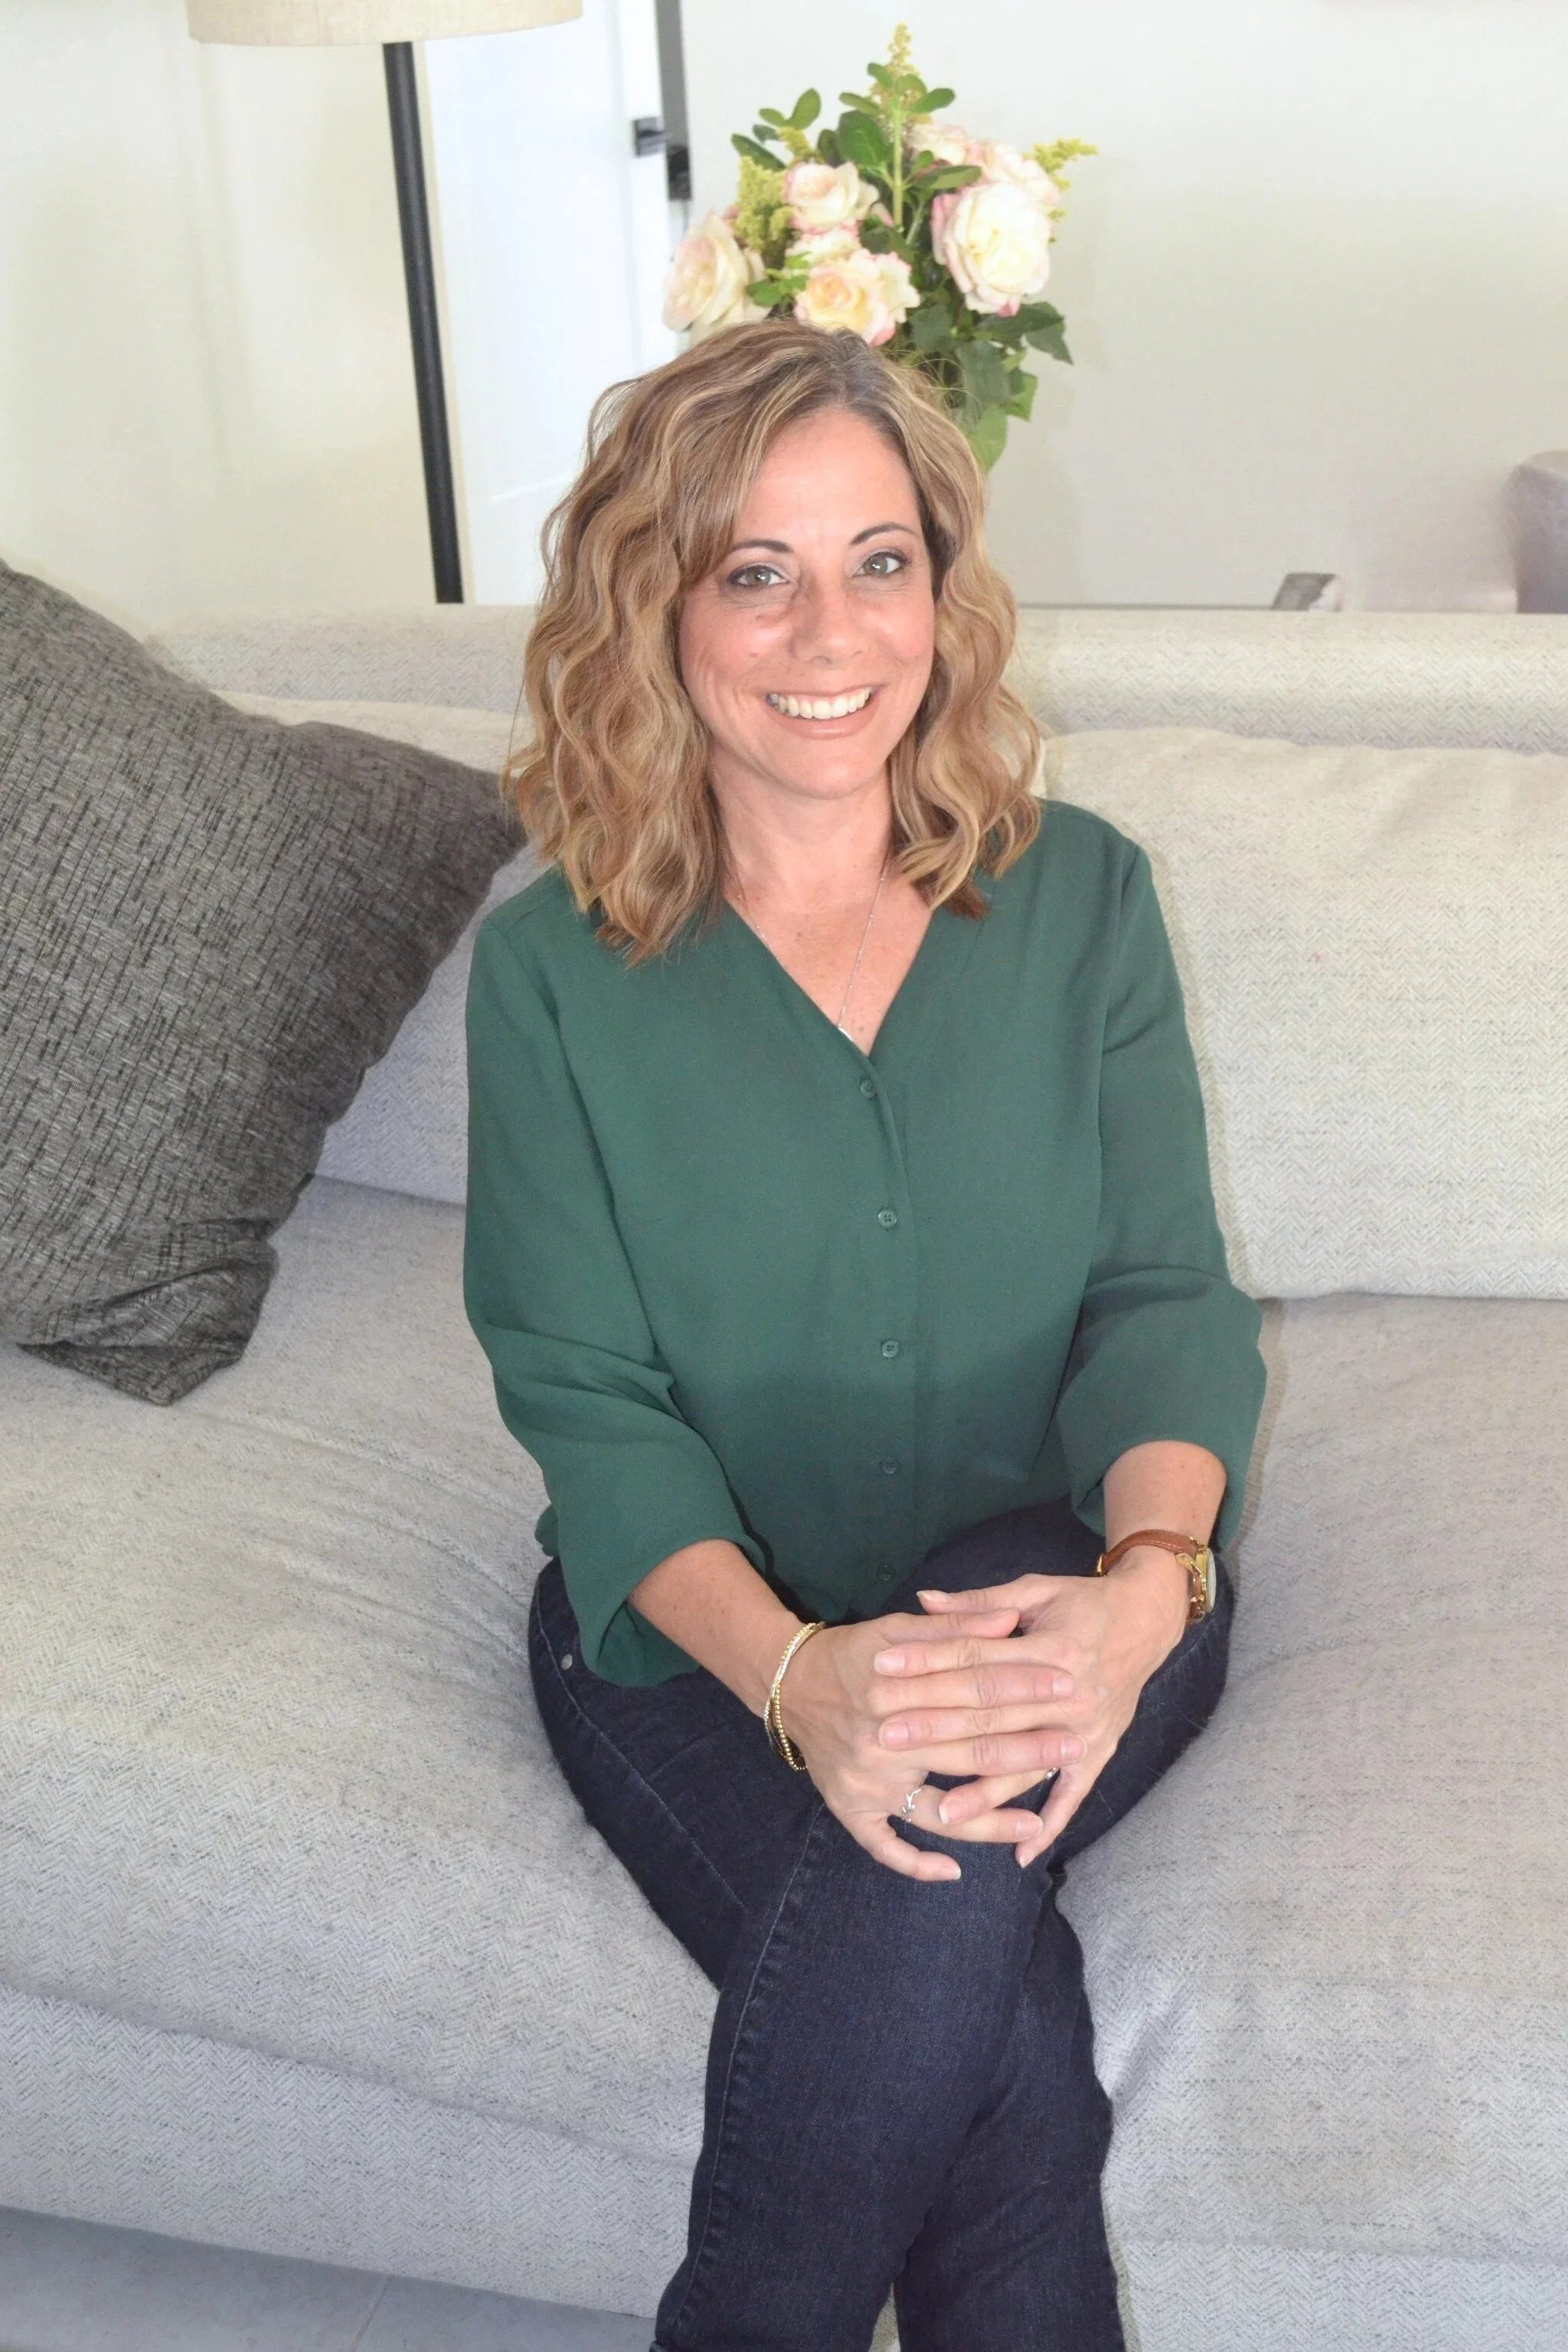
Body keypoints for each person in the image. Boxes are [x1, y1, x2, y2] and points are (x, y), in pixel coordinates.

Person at [464, 318, 1266, 2352]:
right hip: (689, 1641)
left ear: (941, 588)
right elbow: (587, 1402)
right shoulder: (553, 974)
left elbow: (1167, 1307)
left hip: (1049, 1589)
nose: (831, 628)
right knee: (986, 2052)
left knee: (938, 1859)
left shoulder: (1082, 901)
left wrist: (1147, 1597)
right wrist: (808, 1679)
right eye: (758, 567)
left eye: (879, 559)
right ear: (662, 608)